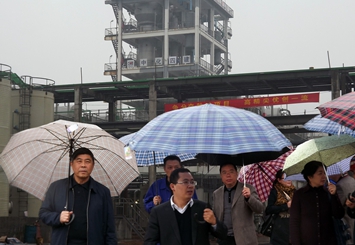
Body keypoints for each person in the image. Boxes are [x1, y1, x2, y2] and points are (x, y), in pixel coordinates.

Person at [39, 148, 117, 245]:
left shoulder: (102, 192)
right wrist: (58, 217)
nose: (83, 165)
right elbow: (43, 214)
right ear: (71, 164)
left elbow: (110, 228)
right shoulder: (56, 187)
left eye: (87, 161)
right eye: (79, 161)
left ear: (93, 165)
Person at [144, 168, 227, 245]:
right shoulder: (159, 212)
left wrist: (214, 222)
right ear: (173, 186)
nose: (190, 186)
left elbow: (222, 235)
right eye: (185, 182)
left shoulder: (202, 208)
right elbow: (150, 242)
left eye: (192, 182)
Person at [290, 161, 345, 245]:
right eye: (320, 173)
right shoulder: (299, 194)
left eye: (324, 173)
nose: (323, 176)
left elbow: (338, 214)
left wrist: (334, 195)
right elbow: (294, 221)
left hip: (328, 240)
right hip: (307, 241)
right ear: (310, 177)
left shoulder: (328, 192)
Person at [213, 163, 264, 245]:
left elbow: (259, 209)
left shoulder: (248, 188)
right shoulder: (217, 193)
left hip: (244, 239)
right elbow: (216, 215)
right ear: (221, 176)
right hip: (224, 239)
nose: (228, 175)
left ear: (236, 173)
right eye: (224, 172)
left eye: (231, 171)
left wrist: (249, 197)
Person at [265, 170, 295, 245]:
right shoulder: (274, 191)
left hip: (292, 228)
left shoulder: (295, 191)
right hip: (279, 229)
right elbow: (269, 209)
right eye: (285, 178)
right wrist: (286, 206)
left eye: (289, 177)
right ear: (279, 180)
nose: (289, 180)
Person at [330, 170, 355, 245]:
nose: (329, 177)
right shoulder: (351, 179)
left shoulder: (339, 185)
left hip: (348, 223)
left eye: (330, 175)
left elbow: (338, 207)